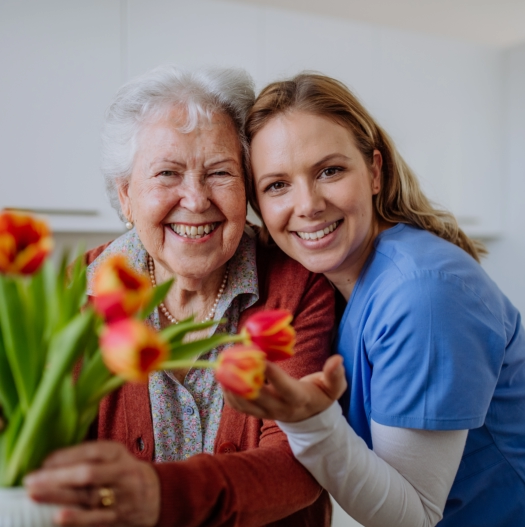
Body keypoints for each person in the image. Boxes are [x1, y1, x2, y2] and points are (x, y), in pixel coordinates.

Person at [24, 66, 336, 527]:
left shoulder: (297, 286)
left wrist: (161, 495)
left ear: (246, 188)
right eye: (168, 173)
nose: (195, 199)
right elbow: (43, 452)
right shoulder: (80, 293)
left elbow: (303, 461)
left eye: (219, 173)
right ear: (126, 195)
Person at [225, 73, 525, 526]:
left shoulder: (421, 295)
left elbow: (414, 517)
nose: (307, 205)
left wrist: (309, 422)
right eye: (277, 186)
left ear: (374, 172)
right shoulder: (333, 281)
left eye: (330, 171)